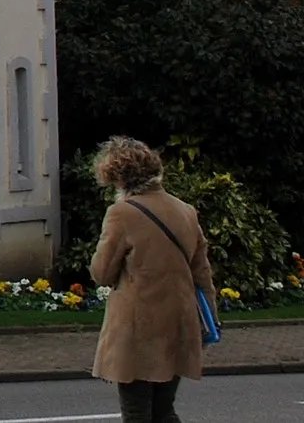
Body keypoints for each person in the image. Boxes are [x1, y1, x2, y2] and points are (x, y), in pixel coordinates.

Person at [90, 136, 217, 423]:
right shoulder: (186, 210)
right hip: (179, 322)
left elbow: (102, 273)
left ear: (119, 179)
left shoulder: (121, 213)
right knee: (164, 410)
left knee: (137, 412)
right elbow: (202, 273)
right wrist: (211, 319)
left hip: (138, 326)